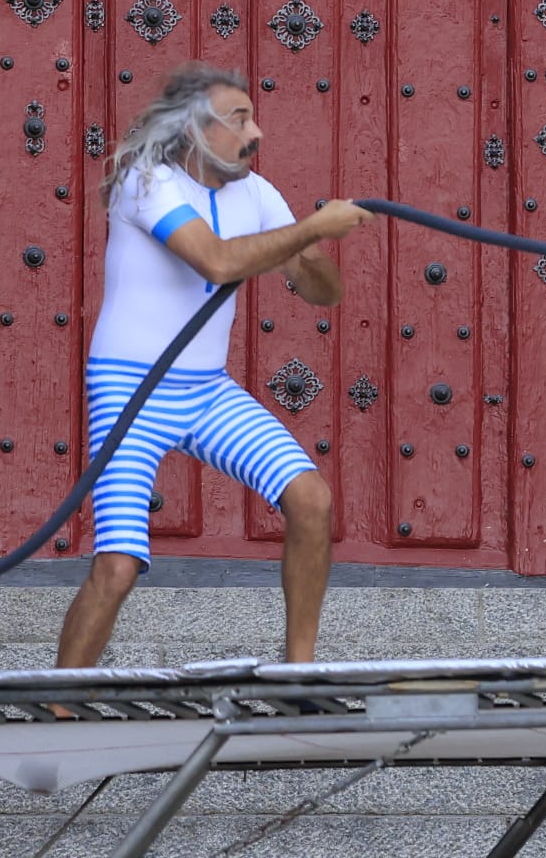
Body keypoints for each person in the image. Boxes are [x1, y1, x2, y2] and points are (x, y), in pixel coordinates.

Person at [54, 62, 374, 670]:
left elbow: (324, 293)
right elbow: (216, 263)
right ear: (196, 130)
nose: (255, 132)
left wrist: (312, 251)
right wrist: (310, 226)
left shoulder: (258, 194)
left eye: (253, 117)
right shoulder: (146, 182)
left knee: (311, 499)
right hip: (130, 390)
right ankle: (55, 708)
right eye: (239, 119)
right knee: (118, 566)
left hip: (205, 391)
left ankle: (297, 674)